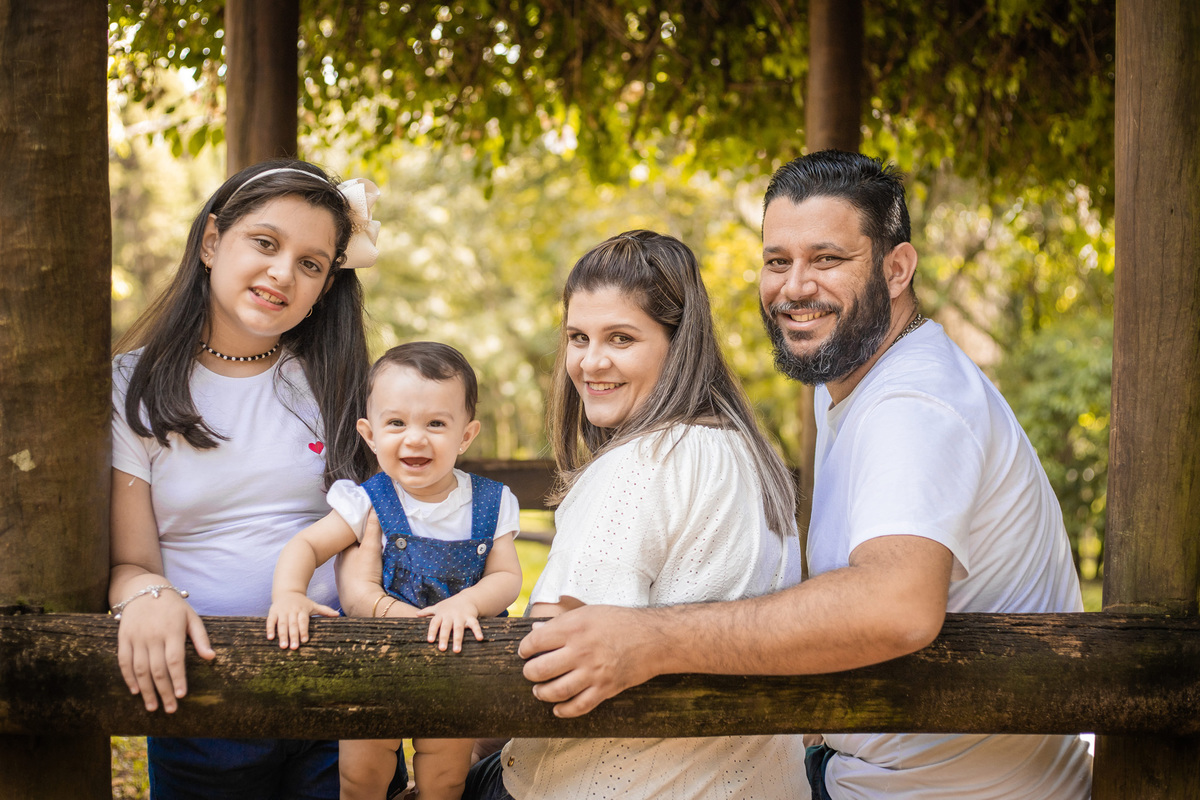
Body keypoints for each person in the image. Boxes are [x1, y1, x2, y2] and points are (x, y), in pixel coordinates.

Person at [517, 152, 1093, 799]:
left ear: (896, 269)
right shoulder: (844, 386)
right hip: (867, 768)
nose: (794, 287)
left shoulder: (915, 404)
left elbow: (895, 607)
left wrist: (649, 639)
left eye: (827, 260)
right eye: (776, 261)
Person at [461, 230, 808, 800]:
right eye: (578, 337)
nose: (590, 362)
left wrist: (462, 756)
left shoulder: (640, 464)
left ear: (679, 344)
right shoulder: (754, 454)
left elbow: (546, 660)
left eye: (620, 338)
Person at [109, 160, 384, 799]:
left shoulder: (339, 384)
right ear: (211, 243)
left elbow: (381, 525)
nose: (283, 273)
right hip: (205, 693)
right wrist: (148, 594)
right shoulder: (132, 387)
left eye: (312, 263)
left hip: (342, 687)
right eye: (265, 243)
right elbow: (130, 562)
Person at [268, 341, 523, 800]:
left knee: (444, 778)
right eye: (397, 423)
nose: (415, 438)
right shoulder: (367, 500)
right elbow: (306, 544)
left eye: (436, 423)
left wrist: (465, 603)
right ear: (369, 433)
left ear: (466, 435)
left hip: (453, 664)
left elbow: (506, 578)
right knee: (362, 776)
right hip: (373, 661)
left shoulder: (490, 501)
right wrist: (289, 593)